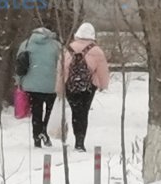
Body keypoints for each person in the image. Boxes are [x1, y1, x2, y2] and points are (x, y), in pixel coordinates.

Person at [59, 23, 110, 153]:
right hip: (88, 87)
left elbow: (61, 70)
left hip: (70, 85)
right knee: (84, 112)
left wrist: (59, 86)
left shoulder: (68, 48)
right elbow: (103, 71)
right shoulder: (97, 50)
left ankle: (77, 137)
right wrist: (103, 85)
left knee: (75, 112)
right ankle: (80, 142)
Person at [15, 26, 61, 147]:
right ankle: (44, 129)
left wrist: (19, 81)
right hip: (51, 85)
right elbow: (61, 65)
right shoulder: (56, 46)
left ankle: (37, 138)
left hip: (32, 86)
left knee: (36, 111)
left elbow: (20, 64)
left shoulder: (26, 44)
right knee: (49, 111)